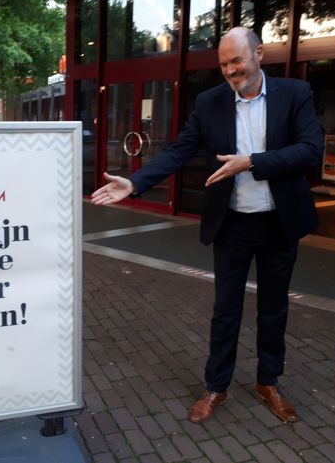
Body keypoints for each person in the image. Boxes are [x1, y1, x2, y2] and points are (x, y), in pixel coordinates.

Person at [91, 27, 323, 424]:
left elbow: (309, 150)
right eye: (223, 64)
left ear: (259, 55)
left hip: (279, 222)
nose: (230, 70)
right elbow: (180, 149)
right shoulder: (210, 101)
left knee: (274, 308)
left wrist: (252, 162)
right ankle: (217, 386)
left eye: (237, 60)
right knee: (225, 310)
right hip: (232, 224)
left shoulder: (294, 94)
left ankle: (268, 382)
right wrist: (136, 182)